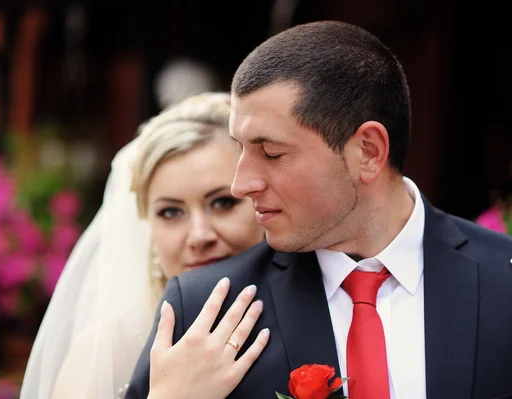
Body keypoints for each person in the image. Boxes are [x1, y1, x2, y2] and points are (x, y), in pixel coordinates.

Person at [126, 21, 512, 399]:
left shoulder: (502, 280)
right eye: (241, 149)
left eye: (272, 153)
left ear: (368, 152)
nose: (241, 184)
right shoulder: (204, 313)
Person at [18, 92, 265, 399]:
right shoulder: (106, 351)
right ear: (146, 225)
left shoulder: (317, 308)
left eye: (222, 202)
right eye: (171, 212)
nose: (200, 235)